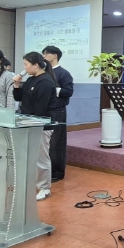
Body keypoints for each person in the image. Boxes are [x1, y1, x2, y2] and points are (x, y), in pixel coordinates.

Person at [12, 52, 58, 200]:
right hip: (28, 123)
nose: (24, 68)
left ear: (36, 65)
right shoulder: (31, 79)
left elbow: (40, 108)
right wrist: (17, 85)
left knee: (41, 158)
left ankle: (44, 188)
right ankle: (32, 183)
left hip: (41, 125)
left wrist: (30, 122)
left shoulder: (46, 82)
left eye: (26, 64)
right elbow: (19, 98)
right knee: (30, 156)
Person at [43, 45, 74, 182]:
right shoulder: (43, 72)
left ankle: (57, 172)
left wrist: (53, 89)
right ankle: (46, 170)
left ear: (55, 55)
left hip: (57, 111)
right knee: (44, 143)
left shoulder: (63, 73)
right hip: (43, 111)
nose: (44, 56)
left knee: (56, 142)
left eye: (46, 54)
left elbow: (68, 92)